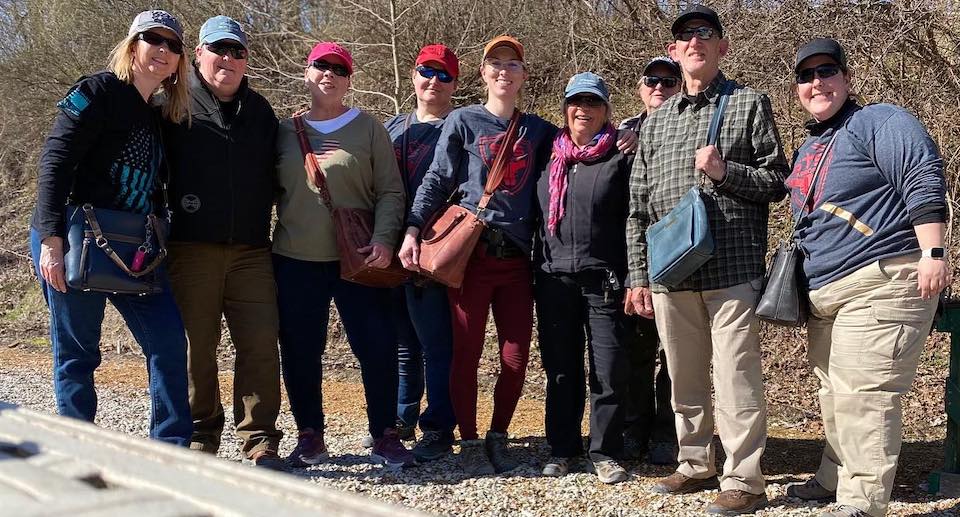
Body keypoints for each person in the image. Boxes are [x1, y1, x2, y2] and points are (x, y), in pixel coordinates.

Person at [625, 5, 789, 514]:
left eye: (705, 34)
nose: (694, 42)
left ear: (722, 47)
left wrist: (724, 172)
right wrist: (638, 275)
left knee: (737, 378)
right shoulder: (655, 124)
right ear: (673, 53)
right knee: (685, 378)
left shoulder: (749, 104)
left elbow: (779, 183)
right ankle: (696, 463)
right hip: (671, 273)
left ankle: (744, 479)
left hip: (733, 270)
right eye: (683, 37)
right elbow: (637, 209)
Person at [783, 38, 949, 517]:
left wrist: (933, 251)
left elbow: (922, 175)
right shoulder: (812, 143)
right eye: (806, 75)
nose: (818, 82)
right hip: (827, 293)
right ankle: (835, 478)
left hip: (880, 278)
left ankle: (861, 503)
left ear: (847, 78)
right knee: (835, 395)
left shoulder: (881, 120)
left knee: (864, 397)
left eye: (828, 71)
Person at [29, 10, 192, 445]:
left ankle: (172, 449)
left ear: (179, 61)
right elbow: (56, 161)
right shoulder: (96, 91)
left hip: (136, 249)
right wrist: (50, 240)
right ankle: (81, 453)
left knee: (168, 345)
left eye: (173, 45)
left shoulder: (159, 115)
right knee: (78, 353)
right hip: (76, 240)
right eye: (152, 39)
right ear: (132, 45)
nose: (163, 49)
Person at [398, 35, 557, 476]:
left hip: (519, 262)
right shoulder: (465, 121)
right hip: (472, 258)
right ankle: (467, 439)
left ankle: (498, 435)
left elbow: (577, 152)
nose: (504, 71)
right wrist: (413, 228)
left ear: (524, 74)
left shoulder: (539, 130)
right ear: (484, 73)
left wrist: (621, 137)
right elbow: (436, 178)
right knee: (463, 355)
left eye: (512, 64)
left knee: (515, 356)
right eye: (495, 64)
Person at [272, 41, 415, 468]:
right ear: (307, 72)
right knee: (299, 348)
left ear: (349, 79)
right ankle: (310, 436)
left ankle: (385, 434)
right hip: (295, 257)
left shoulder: (368, 127)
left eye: (339, 68)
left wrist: (386, 240)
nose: (329, 74)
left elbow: (391, 190)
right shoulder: (282, 131)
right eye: (321, 66)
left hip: (359, 258)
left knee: (376, 345)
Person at [161, 15, 284, 469]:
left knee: (259, 343)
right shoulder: (171, 104)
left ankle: (259, 439)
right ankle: (201, 433)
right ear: (198, 54)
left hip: (252, 249)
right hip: (190, 248)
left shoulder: (261, 112)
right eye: (218, 50)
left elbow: (277, 175)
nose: (227, 59)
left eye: (237, 52)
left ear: (246, 61)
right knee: (197, 346)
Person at [533, 72, 633, 484]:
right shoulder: (546, 155)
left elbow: (635, 218)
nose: (583, 111)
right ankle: (561, 448)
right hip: (553, 278)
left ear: (606, 110)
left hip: (604, 278)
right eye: (576, 103)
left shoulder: (621, 155)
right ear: (564, 109)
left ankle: (605, 450)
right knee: (560, 369)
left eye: (593, 103)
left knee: (607, 369)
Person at [378, 44, 460, 462]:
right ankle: (402, 416)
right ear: (413, 76)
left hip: (438, 252)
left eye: (444, 75)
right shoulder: (391, 128)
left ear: (455, 84)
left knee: (436, 343)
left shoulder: (461, 127)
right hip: (393, 250)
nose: (434, 81)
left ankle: (440, 426)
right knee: (402, 341)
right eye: (428, 72)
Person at [618, 56, 683, 465]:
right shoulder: (620, 132)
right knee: (636, 352)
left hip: (680, 253)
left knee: (676, 355)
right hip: (634, 256)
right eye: (651, 81)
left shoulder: (688, 124)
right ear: (640, 87)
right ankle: (633, 427)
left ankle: (666, 431)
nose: (659, 87)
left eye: (668, 81)